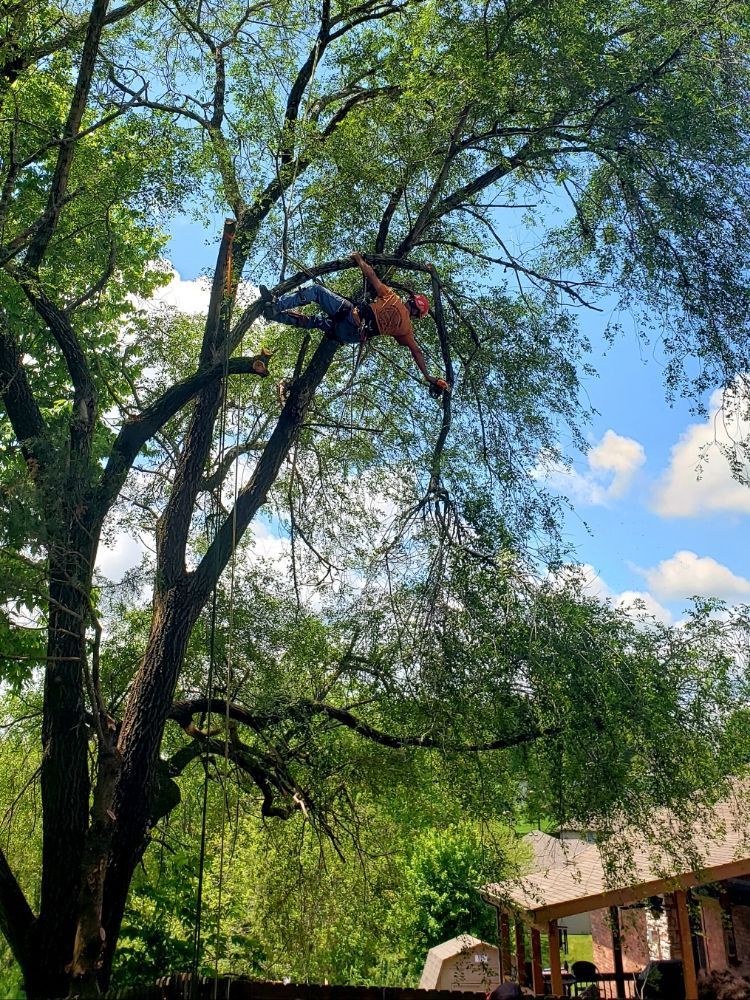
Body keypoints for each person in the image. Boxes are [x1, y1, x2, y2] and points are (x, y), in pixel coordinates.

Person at [259, 251, 450, 396]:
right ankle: (274, 315)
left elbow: (372, 276)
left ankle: (276, 306)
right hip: (351, 335)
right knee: (315, 322)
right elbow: (416, 351)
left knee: (316, 291)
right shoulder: (406, 330)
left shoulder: (393, 298)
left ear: (411, 301)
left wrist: (359, 260)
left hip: (352, 317)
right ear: (417, 315)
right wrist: (428, 377)